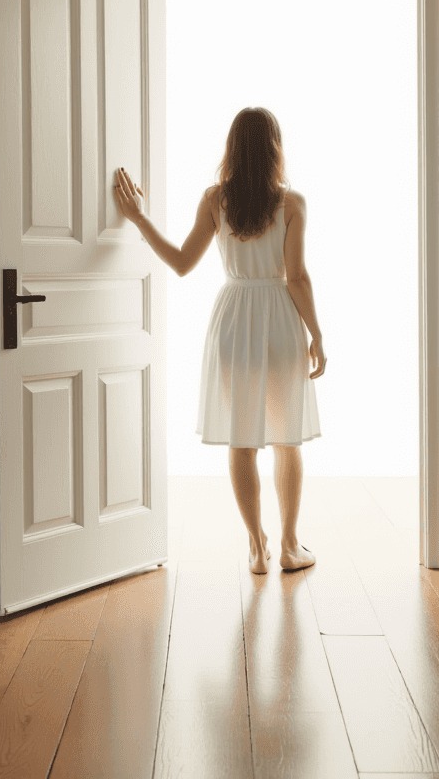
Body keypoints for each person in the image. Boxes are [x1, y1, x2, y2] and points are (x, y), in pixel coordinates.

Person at [114, 106, 327, 575]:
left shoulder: (216, 199)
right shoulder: (291, 204)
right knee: (287, 438)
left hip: (233, 320)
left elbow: (182, 261)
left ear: (232, 148)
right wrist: (317, 334)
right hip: (278, 320)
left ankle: (256, 547)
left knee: (242, 441)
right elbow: (297, 279)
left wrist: (139, 219)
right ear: (275, 149)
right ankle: (290, 546)